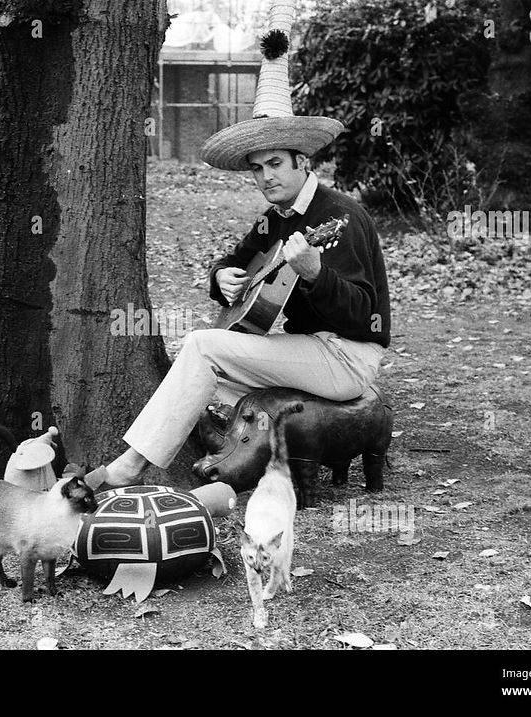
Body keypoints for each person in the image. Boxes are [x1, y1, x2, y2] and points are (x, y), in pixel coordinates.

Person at [85, 0, 391, 490]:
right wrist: (220, 276)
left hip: (346, 358)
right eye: (257, 167)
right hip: (306, 349)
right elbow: (240, 261)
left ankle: (129, 467)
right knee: (201, 379)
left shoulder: (340, 218)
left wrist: (315, 272)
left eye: (276, 163)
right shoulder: (277, 219)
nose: (265, 176)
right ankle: (230, 461)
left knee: (203, 346)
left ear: (302, 162)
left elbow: (363, 316)